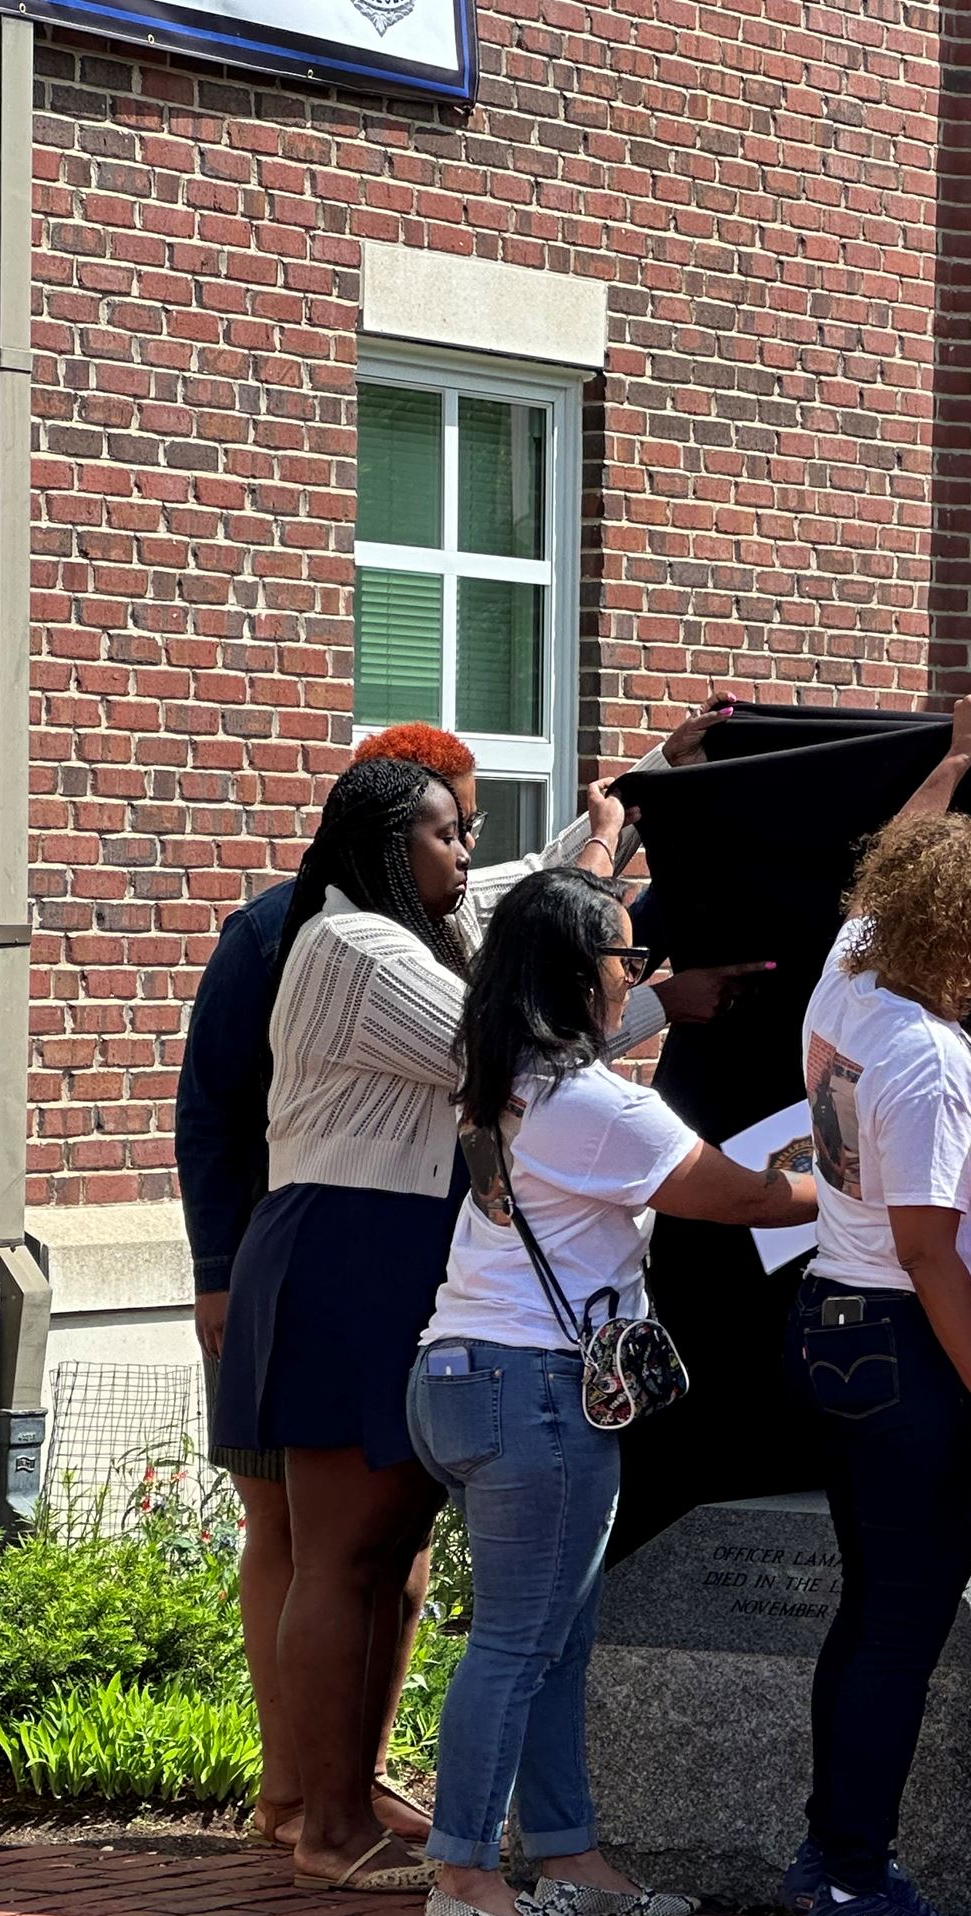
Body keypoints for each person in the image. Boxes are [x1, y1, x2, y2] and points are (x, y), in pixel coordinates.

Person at [177, 711, 732, 1852]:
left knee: (391, 1553)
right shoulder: (350, 950)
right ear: (386, 845)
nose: (464, 854)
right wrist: (661, 1000)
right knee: (340, 1550)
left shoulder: (409, 927)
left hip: (395, 1250)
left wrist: (631, 797)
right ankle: (319, 1823)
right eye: (444, 835)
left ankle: (356, 1793)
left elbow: (524, 888)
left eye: (464, 831)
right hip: (343, 1252)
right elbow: (514, 1051)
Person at [412, 867, 815, 1916]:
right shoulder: (595, 1103)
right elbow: (736, 1198)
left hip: (466, 1373)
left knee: (552, 1638)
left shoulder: (500, 1075)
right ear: (573, 972)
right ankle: (461, 1875)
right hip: (532, 1389)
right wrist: (861, 1181)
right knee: (513, 1644)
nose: (634, 978)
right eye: (625, 960)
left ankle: (569, 1854)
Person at [779, 695, 971, 1916]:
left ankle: (827, 1856)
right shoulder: (932, 1063)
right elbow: (929, 1250)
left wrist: (950, 767)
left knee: (869, 1611)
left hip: (831, 1327)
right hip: (907, 1346)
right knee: (897, 1626)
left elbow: (883, 870)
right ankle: (849, 1885)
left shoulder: (848, 979)